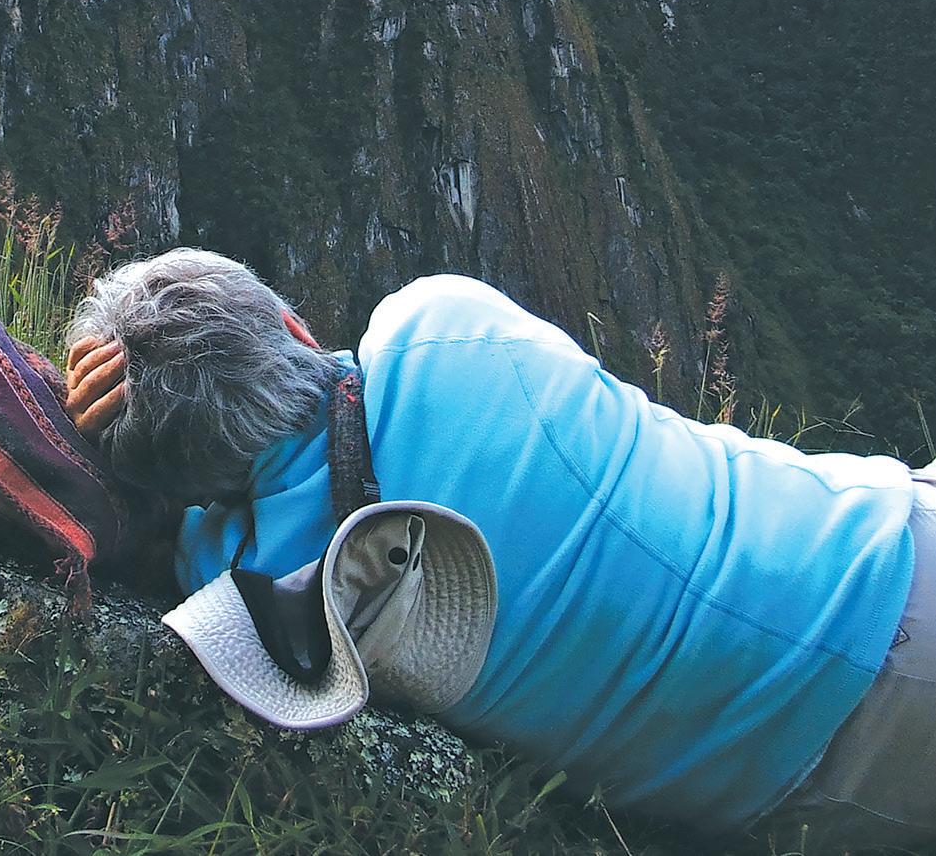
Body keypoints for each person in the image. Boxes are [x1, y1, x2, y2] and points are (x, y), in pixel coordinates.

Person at [64, 248, 936, 853]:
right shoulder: (444, 325)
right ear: (292, 329)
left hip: (833, 776)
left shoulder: (263, 590)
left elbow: (178, 526)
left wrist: (138, 453)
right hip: (886, 540)